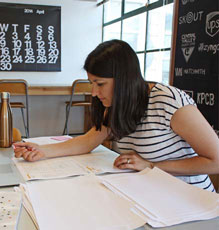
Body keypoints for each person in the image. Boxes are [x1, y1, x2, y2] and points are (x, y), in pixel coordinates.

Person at [13, 39, 219, 192]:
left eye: (100, 84)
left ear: (124, 80)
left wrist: (151, 166)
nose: (94, 92)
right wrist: (43, 151)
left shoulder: (169, 102)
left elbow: (215, 161)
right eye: (91, 83)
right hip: (151, 192)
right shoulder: (116, 104)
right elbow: (88, 141)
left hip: (189, 198)